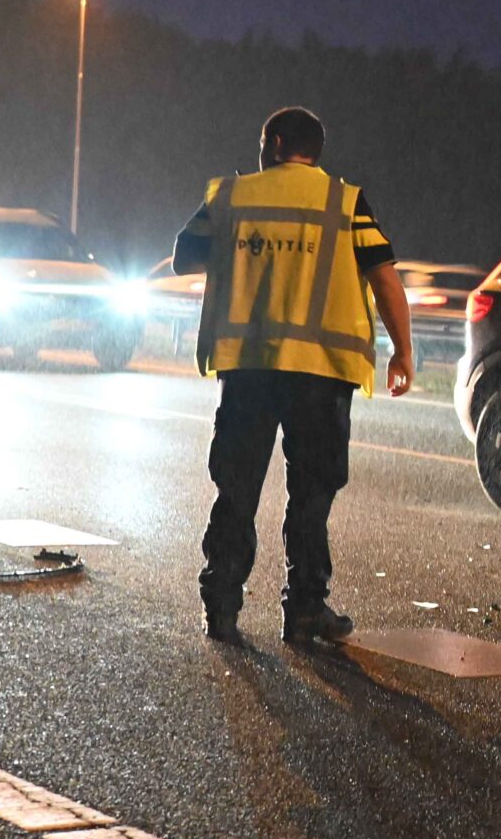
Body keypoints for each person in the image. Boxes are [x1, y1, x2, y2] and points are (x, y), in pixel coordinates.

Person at [173, 106, 414, 646]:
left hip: (250, 366)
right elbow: (385, 278)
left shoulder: (233, 197)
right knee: (311, 495)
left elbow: (182, 258)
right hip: (322, 373)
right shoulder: (344, 201)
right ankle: (305, 609)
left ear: (275, 142)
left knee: (236, 487)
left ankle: (223, 607)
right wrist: (403, 351)